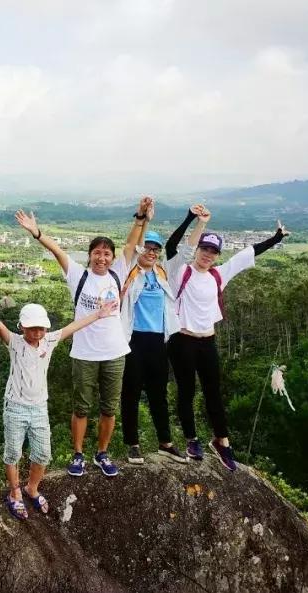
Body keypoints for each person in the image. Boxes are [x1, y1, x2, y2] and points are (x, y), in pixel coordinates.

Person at [15, 207, 146, 477]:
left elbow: (132, 242)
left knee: (110, 407)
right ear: (90, 256)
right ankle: (78, 454)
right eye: (96, 252)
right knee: (82, 407)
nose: (102, 257)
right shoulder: (79, 275)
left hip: (115, 352)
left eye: (106, 253)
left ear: (112, 258)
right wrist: (35, 231)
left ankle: (102, 453)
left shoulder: (118, 272)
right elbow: (57, 251)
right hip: (84, 353)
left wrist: (141, 217)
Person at [0, 297, 118, 520]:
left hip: (39, 408)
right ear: (22, 327)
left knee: (43, 453)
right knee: (13, 453)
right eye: (32, 328)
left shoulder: (49, 341)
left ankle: (31, 488)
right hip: (15, 407)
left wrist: (98, 315)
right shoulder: (15, 343)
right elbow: (0, 327)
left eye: (41, 328)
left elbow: (72, 327)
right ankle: (15, 492)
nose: (37, 333)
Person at [163, 205, 290, 471]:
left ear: (217, 255)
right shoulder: (180, 272)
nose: (208, 255)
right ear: (197, 249)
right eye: (204, 249)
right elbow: (173, 245)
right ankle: (192, 440)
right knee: (186, 391)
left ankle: (221, 441)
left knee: (213, 393)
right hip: (182, 340)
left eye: (213, 252)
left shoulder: (219, 275)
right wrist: (194, 220)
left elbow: (248, 253)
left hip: (207, 341)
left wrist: (276, 238)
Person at [117, 197, 188, 465]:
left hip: (159, 340)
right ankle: (132, 444)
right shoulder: (130, 271)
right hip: (134, 339)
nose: (152, 251)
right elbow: (131, 244)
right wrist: (145, 219)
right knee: (132, 392)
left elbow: (186, 251)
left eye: (156, 248)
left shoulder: (162, 273)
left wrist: (196, 221)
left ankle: (165, 442)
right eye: (148, 247)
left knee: (159, 393)